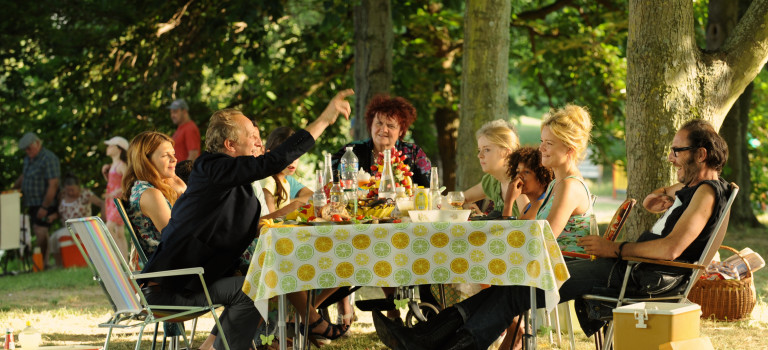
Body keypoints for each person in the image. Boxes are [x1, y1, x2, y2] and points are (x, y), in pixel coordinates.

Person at [373, 119, 731, 350]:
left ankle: (440, 341)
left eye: (677, 151)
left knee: (523, 286)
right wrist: (668, 192)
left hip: (640, 275)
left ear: (700, 154)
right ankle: (430, 337)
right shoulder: (703, 188)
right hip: (633, 269)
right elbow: (693, 194)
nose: (671, 157)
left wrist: (614, 248)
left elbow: (671, 249)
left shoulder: (705, 193)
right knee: (515, 283)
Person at [139, 89, 354, 350]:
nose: (259, 143)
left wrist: (291, 212)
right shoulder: (213, 168)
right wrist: (325, 119)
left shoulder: (229, 181)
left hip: (190, 281)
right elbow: (272, 162)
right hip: (171, 289)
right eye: (252, 136)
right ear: (230, 145)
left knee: (262, 280)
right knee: (255, 288)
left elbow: (247, 229)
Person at [331, 94, 432, 187]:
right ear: (371, 126)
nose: (383, 130)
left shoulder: (414, 153)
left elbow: (429, 191)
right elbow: (330, 183)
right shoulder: (351, 151)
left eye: (390, 126)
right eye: (379, 123)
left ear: (401, 131)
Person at [121, 132, 187, 256]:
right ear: (146, 161)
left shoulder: (142, 188)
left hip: (178, 263)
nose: (174, 159)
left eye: (173, 154)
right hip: (175, 268)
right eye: (165, 155)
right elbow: (178, 239)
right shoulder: (150, 194)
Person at [13, 132, 61, 269]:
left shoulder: (49, 158)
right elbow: (24, 175)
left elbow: (53, 184)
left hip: (45, 202)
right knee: (38, 230)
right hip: (32, 202)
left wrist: (45, 207)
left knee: (40, 230)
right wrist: (12, 189)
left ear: (38, 143)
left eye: (29, 148)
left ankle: (43, 264)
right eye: (25, 150)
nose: (27, 152)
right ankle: (42, 263)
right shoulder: (29, 159)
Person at [463, 119, 523, 217]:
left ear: (507, 153)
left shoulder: (520, 181)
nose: (480, 155)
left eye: (487, 149)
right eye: (479, 150)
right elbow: (460, 199)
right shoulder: (492, 181)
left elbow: (529, 225)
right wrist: (479, 216)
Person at [47, 173, 104, 268]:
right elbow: (62, 212)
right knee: (53, 238)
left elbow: (101, 203)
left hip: (82, 225)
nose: (70, 192)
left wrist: (102, 219)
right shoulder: (62, 195)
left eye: (72, 190)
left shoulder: (85, 194)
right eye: (68, 190)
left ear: (78, 187)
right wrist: (53, 216)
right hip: (67, 226)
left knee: (60, 235)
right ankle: (60, 264)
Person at [261, 126, 313, 216]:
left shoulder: (285, 182)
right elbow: (267, 221)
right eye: (288, 157)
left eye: (296, 156)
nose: (293, 161)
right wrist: (290, 208)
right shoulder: (268, 181)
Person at [502, 147, 554, 219]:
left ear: (542, 177)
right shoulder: (528, 206)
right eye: (518, 171)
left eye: (526, 172)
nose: (519, 176)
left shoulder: (540, 204)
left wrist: (508, 202)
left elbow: (512, 229)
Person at [101, 136, 130, 260]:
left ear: (119, 149)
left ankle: (117, 257)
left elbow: (128, 183)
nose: (108, 148)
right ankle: (124, 259)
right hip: (111, 202)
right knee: (119, 232)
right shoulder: (111, 166)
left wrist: (116, 192)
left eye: (111, 146)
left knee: (108, 228)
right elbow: (112, 183)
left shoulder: (121, 165)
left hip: (119, 202)